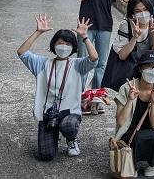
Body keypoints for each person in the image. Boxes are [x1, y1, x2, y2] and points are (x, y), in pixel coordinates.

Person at [17, 14, 98, 161]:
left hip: (69, 113)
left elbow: (93, 58)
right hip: (49, 114)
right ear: (54, 45)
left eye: (68, 44)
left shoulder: (77, 64)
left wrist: (85, 37)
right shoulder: (43, 64)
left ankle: (71, 139)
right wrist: (38, 32)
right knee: (46, 156)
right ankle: (54, 134)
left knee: (69, 126)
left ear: (73, 47)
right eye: (60, 43)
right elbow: (22, 52)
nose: (64, 47)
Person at [114, 51, 154, 177]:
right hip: (128, 131)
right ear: (140, 68)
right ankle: (131, 163)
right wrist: (130, 99)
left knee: (153, 138)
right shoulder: (126, 88)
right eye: (148, 66)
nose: (152, 70)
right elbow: (120, 121)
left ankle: (153, 163)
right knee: (135, 138)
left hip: (152, 132)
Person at [101, 0, 154, 95]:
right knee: (130, 101)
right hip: (130, 74)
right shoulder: (126, 26)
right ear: (132, 13)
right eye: (138, 11)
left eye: (145, 10)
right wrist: (134, 37)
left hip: (150, 73)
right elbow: (122, 55)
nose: (142, 13)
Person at [74, 0, 117, 99]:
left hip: (105, 26)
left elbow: (113, 1)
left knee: (101, 63)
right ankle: (78, 94)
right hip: (85, 25)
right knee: (83, 60)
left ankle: (96, 95)